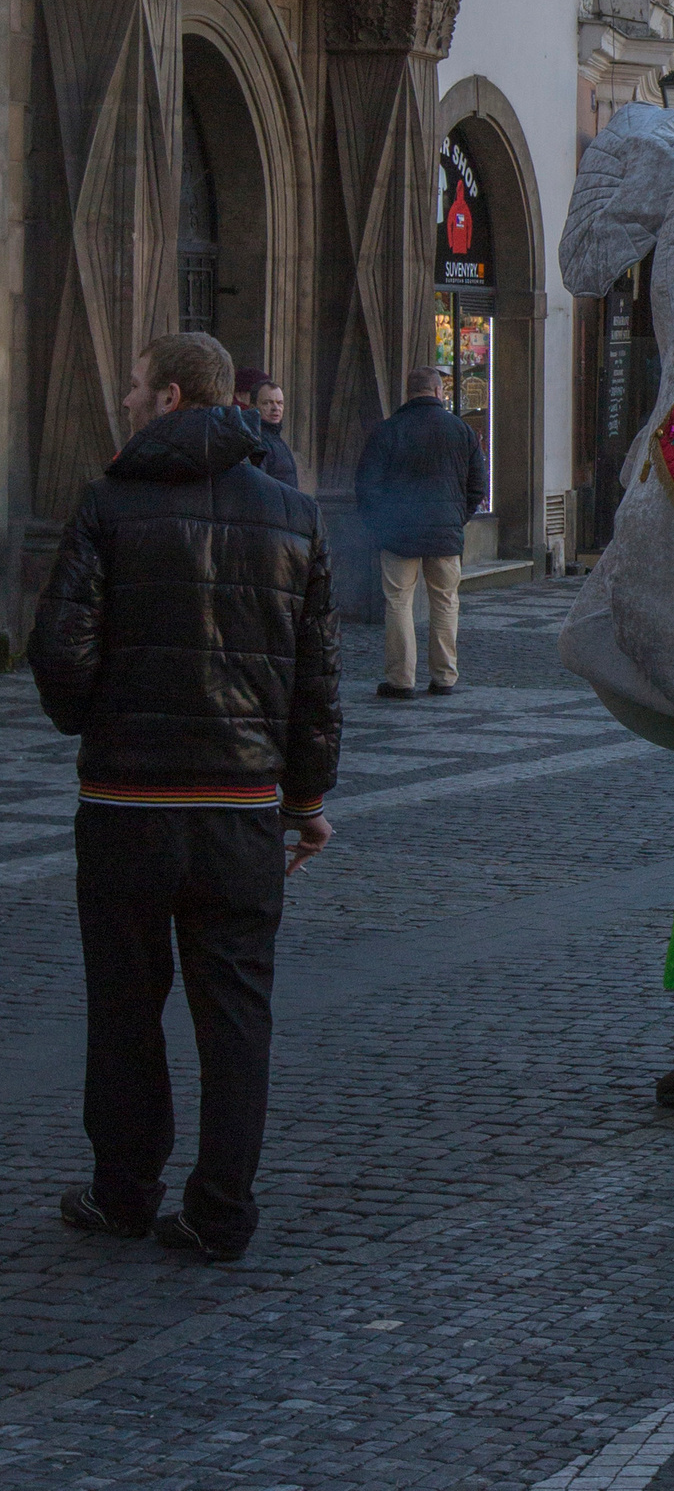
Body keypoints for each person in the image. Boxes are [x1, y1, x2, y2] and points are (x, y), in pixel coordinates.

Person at [28, 330, 338, 1262]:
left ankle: (125, 1189)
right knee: (237, 1009)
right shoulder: (294, 515)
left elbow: (59, 653)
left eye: (133, 387)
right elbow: (317, 684)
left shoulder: (107, 503)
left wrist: (96, 717)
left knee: (125, 1002)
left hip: (127, 802)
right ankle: (220, 1208)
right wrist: (306, 799)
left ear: (168, 396)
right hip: (241, 806)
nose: (125, 400)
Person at [354, 365, 486, 700]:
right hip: (445, 533)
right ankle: (444, 676)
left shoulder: (388, 430)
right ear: (439, 392)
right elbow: (477, 485)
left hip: (399, 533)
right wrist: (458, 517)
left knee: (398, 601)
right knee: (445, 602)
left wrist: (381, 523)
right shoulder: (461, 430)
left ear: (408, 392)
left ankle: (401, 679)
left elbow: (367, 486)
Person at [231, 369, 300, 491]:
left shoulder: (275, 439)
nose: (275, 408)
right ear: (253, 407)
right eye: (267, 403)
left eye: (280, 403)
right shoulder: (255, 441)